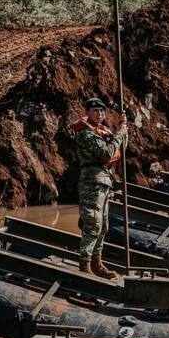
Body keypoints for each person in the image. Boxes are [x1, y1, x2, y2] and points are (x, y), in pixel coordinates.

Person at [71, 97, 127, 280]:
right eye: (95, 111)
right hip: (92, 181)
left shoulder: (103, 130)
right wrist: (118, 135)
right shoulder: (85, 133)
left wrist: (122, 131)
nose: (99, 114)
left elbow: (120, 150)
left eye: (102, 111)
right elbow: (105, 152)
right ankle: (85, 263)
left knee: (103, 225)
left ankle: (97, 262)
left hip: (105, 180)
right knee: (93, 222)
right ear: (87, 112)